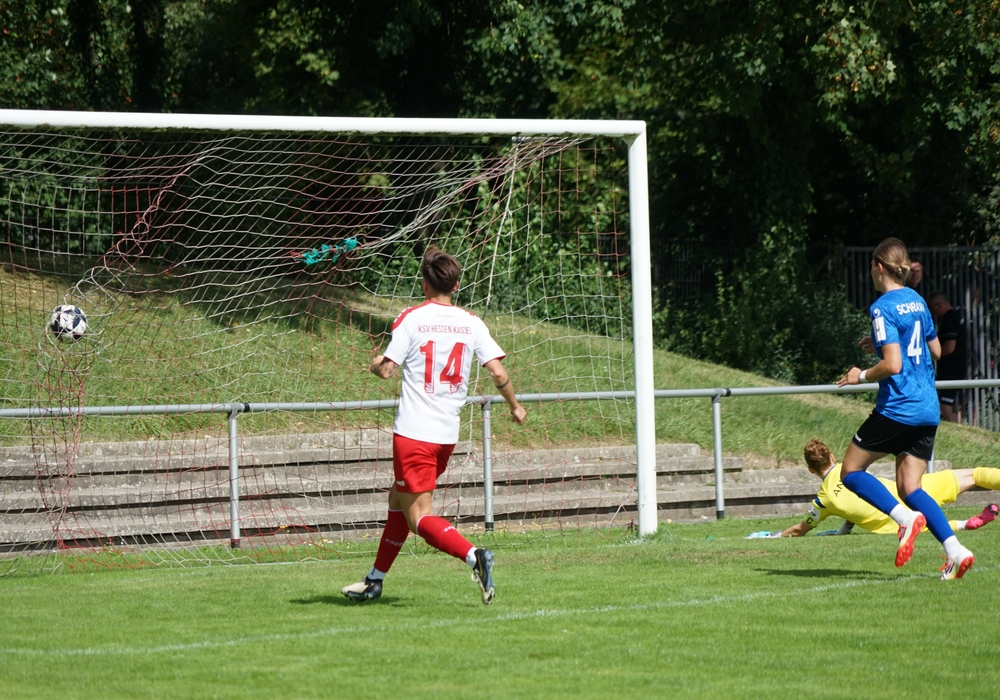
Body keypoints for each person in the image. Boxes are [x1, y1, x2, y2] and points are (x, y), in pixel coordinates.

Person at [341, 246, 527, 605]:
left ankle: (475, 556)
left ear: (424, 284)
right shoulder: (472, 322)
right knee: (397, 499)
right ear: (455, 285)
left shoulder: (411, 318)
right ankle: (374, 580)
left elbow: (387, 370)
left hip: (414, 433)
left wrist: (375, 362)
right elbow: (497, 372)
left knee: (418, 518)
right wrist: (515, 406)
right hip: (445, 436)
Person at [835, 237, 975, 580]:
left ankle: (905, 518)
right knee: (910, 487)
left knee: (850, 471)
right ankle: (956, 551)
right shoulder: (918, 300)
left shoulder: (881, 307)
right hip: (927, 408)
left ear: (879, 267)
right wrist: (880, 345)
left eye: (871, 266)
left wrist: (859, 375)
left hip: (899, 407)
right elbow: (936, 351)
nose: (871, 271)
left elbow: (894, 365)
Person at [769, 439, 998, 538]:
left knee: (925, 526)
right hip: (912, 488)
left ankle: (964, 524)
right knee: (975, 475)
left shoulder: (823, 501)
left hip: (895, 524)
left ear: (810, 470)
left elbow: (799, 531)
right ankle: (964, 523)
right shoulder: (852, 466)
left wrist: (774, 536)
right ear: (832, 456)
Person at [929, 290, 967, 423]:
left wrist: (933, 355)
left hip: (951, 370)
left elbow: (949, 347)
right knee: (949, 406)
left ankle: (958, 434)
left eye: (932, 308)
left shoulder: (949, 320)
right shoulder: (956, 317)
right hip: (957, 368)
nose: (932, 312)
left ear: (939, 306)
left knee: (945, 407)